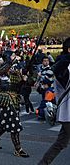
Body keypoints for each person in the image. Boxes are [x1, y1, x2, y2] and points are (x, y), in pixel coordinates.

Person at [38, 37, 70, 165]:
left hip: (66, 112)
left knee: (61, 143)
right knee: (60, 143)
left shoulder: (61, 65)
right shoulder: (64, 67)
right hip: (68, 111)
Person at [0, 87, 29, 158]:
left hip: (13, 107)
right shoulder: (8, 85)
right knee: (14, 128)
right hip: (8, 107)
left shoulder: (19, 80)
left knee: (3, 126)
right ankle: (18, 150)